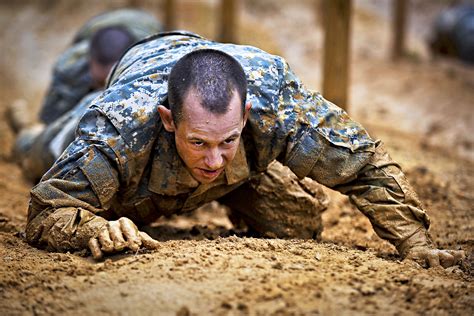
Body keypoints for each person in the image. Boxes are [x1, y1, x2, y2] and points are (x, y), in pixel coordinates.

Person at [25, 31, 464, 268]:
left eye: (228, 140)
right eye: (198, 141)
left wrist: (415, 242)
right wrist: (90, 229)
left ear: (248, 114)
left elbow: (364, 164)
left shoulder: (279, 104)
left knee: (297, 220)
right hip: (136, 108)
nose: (215, 160)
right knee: (42, 151)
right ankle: (24, 130)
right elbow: (47, 210)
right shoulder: (121, 127)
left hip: (220, 102)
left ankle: (224, 160)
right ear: (169, 120)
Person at [12, 9, 162, 181]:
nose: (104, 91)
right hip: (95, 30)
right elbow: (52, 123)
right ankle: (24, 127)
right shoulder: (71, 67)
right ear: (89, 61)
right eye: (100, 82)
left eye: (111, 82)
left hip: (148, 30)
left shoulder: (152, 69)